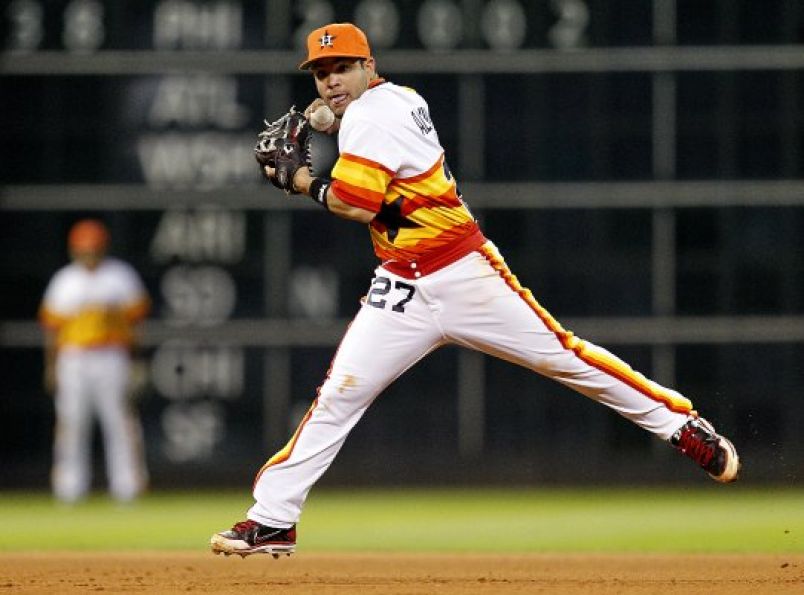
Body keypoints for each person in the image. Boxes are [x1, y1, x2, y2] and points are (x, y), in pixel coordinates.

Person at [211, 23, 740, 557]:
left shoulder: (374, 114)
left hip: (462, 272)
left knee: (565, 357)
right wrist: (326, 120)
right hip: (401, 285)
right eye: (322, 72)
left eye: (343, 68)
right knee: (339, 396)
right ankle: (273, 520)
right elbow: (366, 153)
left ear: (369, 67)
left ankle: (681, 425)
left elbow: (357, 202)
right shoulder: (394, 101)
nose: (331, 80)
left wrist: (299, 180)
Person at [39, 219, 151, 503]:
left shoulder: (120, 276)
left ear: (102, 248)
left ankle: (127, 487)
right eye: (83, 249)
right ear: (74, 250)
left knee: (119, 422)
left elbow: (137, 324)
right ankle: (69, 489)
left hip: (112, 356)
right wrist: (51, 366)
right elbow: (52, 329)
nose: (89, 254)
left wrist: (137, 360)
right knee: (71, 423)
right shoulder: (64, 280)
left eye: (93, 248)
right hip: (73, 358)